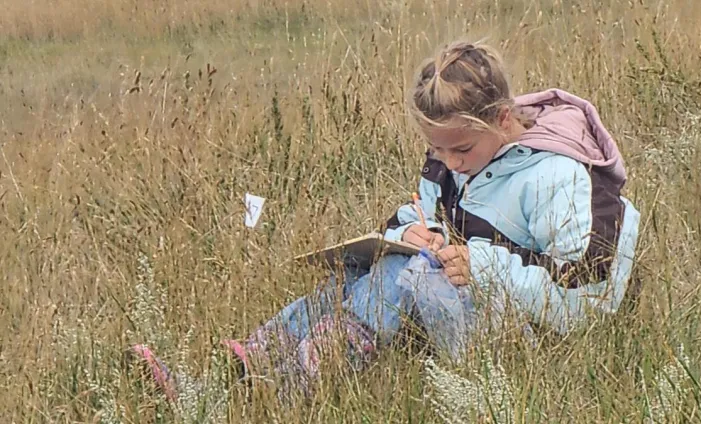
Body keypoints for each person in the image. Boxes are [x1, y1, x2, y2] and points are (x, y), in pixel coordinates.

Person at [127, 39, 641, 404]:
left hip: (534, 345)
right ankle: (232, 375)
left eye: (460, 148)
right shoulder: (450, 159)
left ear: (504, 118)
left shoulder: (562, 175)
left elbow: (594, 298)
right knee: (364, 272)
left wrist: (481, 267)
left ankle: (275, 395)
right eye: (435, 148)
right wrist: (404, 233)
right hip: (459, 307)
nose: (448, 162)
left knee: (408, 273)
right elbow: (417, 214)